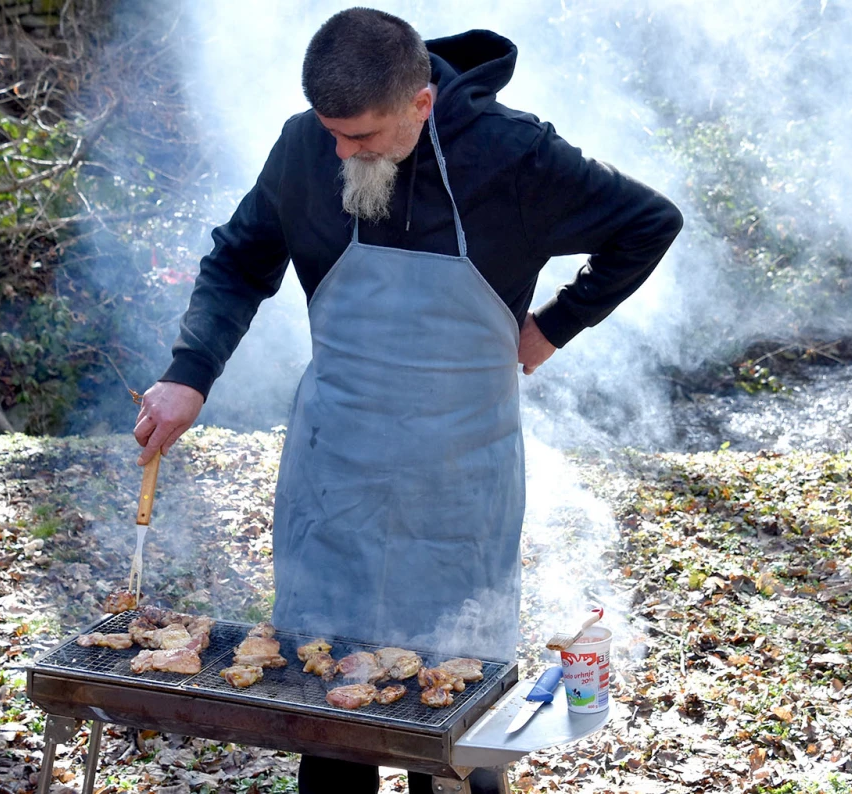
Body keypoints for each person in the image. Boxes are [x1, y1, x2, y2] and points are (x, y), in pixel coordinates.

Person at [134, 8, 682, 793]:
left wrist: (553, 326)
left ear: (421, 105)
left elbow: (648, 222)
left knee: (457, 717)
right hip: (337, 479)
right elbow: (239, 260)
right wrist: (190, 372)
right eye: (332, 132)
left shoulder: (513, 156)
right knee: (329, 708)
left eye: (360, 138)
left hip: (459, 487)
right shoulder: (306, 146)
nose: (340, 152)